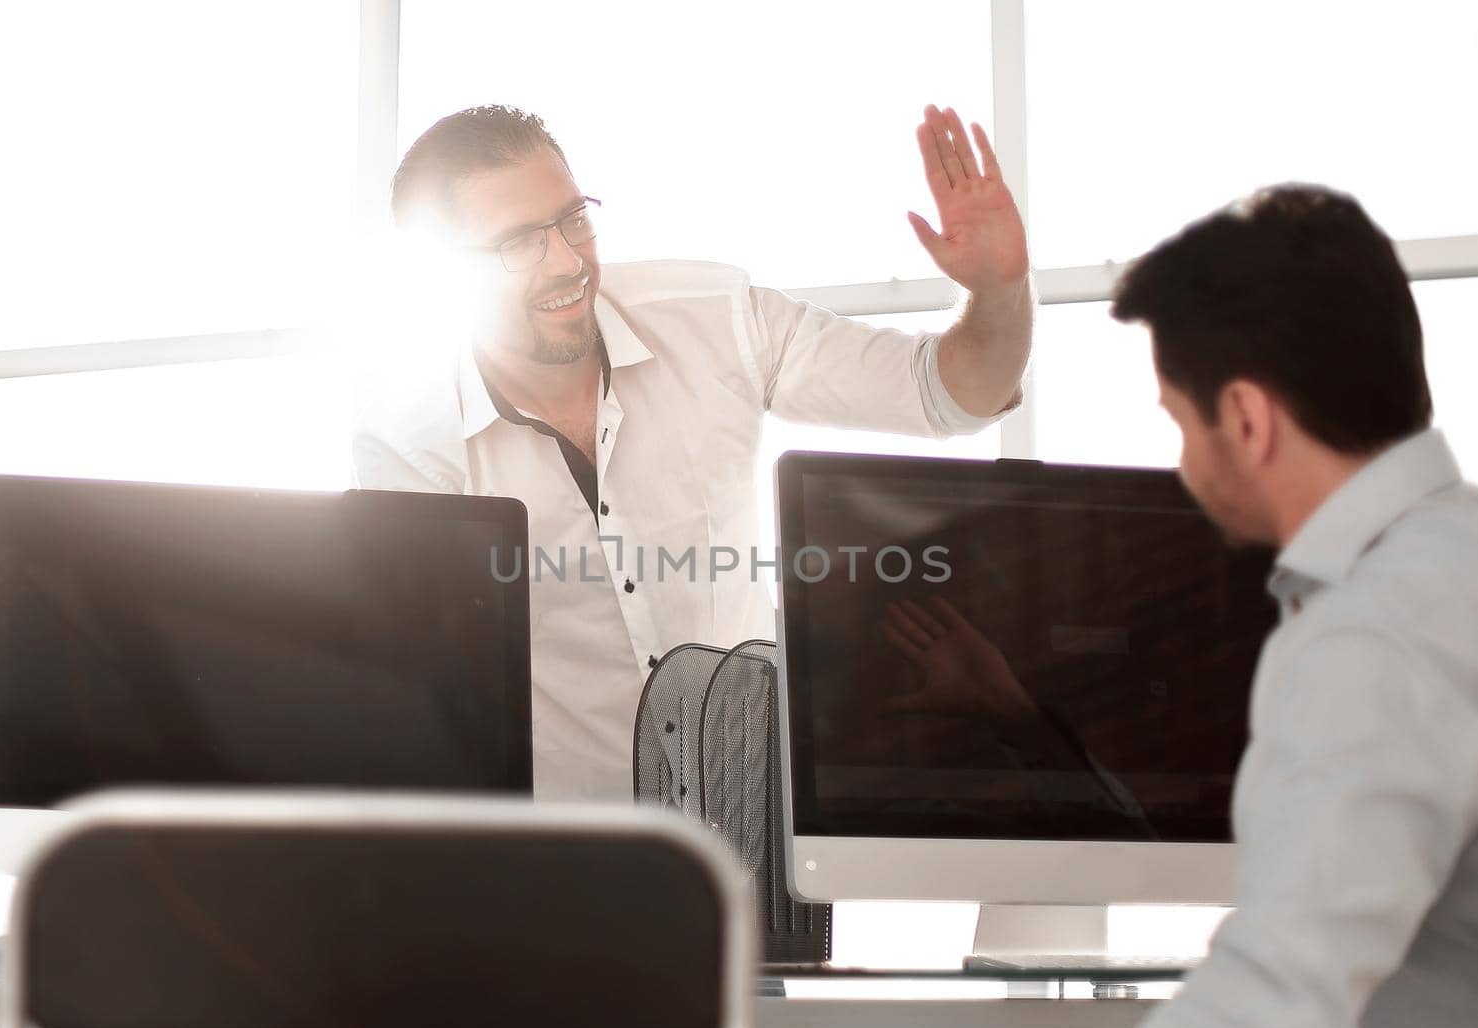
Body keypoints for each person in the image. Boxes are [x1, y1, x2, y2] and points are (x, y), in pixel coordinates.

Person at [354, 103, 1032, 800]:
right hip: (563, 861)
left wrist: (1000, 291)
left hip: (755, 829)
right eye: (520, 242)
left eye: (572, 219)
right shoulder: (411, 449)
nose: (565, 261)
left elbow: (947, 393)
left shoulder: (716, 317)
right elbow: (422, 711)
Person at [1065, 184, 1478, 1028]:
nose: (1184, 463)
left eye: (1177, 423)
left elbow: (1277, 996)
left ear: (1245, 418)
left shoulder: (1372, 631)